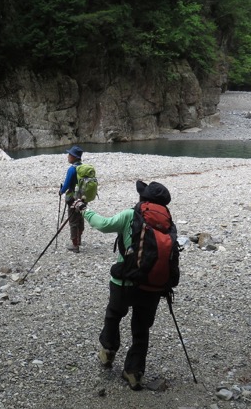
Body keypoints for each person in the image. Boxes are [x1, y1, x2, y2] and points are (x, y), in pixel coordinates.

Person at [71, 180, 173, 391]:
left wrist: (84, 210)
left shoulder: (130, 215)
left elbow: (103, 224)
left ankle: (108, 352)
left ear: (143, 199)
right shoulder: (168, 224)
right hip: (152, 286)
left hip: (124, 281)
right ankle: (134, 373)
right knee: (141, 329)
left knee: (114, 314)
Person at [58, 145, 85, 252]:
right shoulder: (83, 168)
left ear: (74, 157)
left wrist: (61, 192)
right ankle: (79, 240)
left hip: (72, 199)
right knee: (80, 218)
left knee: (73, 221)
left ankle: (75, 245)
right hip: (83, 197)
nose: (68, 156)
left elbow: (66, 185)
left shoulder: (72, 169)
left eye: (69, 154)